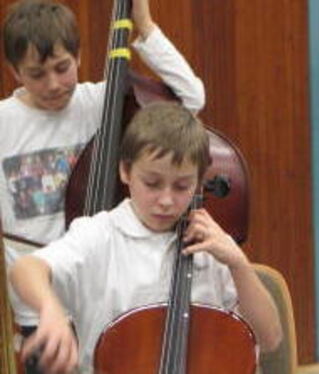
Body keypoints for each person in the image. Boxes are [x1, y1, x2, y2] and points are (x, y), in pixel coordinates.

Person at [9, 102, 283, 373]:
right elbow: (26, 268)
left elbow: (270, 338)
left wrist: (238, 264)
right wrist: (50, 310)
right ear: (125, 171)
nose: (166, 201)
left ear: (199, 183)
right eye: (152, 183)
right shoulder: (99, 235)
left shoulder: (211, 245)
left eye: (182, 186)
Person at [0, 0, 205, 336]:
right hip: (39, 308)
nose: (53, 84)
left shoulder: (101, 102)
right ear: (14, 71)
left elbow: (192, 98)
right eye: (37, 74)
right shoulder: (4, 122)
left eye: (63, 68)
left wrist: (145, 24)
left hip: (104, 296)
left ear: (79, 57)